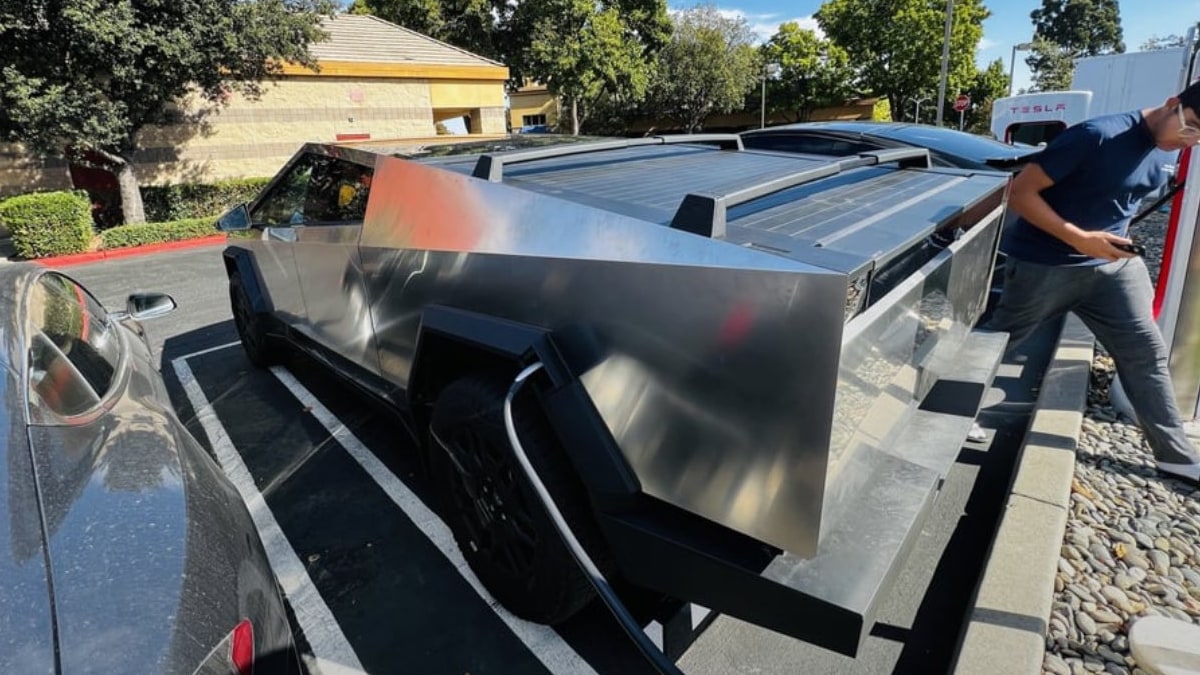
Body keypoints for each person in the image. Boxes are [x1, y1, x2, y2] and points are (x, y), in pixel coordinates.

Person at [981, 80, 1200, 485]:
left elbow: (1119, 201)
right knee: (998, 341)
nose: (1190, 140)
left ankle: (1178, 457)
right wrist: (1081, 239)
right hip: (1047, 264)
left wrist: (1114, 240)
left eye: (1199, 138)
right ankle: (951, 414)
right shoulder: (1097, 135)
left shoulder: (1163, 152)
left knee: (1146, 353)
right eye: (1190, 127)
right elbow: (1020, 193)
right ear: (1173, 104)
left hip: (1115, 271)